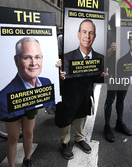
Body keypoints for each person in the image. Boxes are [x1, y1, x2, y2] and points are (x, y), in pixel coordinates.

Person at [0, 37, 54, 167]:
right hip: (13, 105)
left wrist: (59, 70)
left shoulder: (46, 83)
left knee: (28, 133)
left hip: (31, 106)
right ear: (16, 60)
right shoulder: (5, 95)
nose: (34, 63)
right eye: (27, 57)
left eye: (37, 57)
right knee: (13, 138)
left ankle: (27, 159)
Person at [56, 19, 105, 160]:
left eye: (91, 33)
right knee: (66, 114)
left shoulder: (99, 58)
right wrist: (59, 72)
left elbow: (97, 78)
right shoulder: (66, 56)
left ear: (94, 36)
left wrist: (102, 75)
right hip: (69, 89)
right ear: (78, 34)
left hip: (85, 88)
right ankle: (65, 143)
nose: (87, 36)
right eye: (84, 32)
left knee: (82, 113)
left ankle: (79, 138)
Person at [103, 29, 132, 142]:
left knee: (121, 99)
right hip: (113, 74)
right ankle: (107, 126)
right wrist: (110, 49)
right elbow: (102, 55)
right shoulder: (109, 33)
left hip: (125, 74)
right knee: (110, 100)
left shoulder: (126, 31)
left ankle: (119, 122)